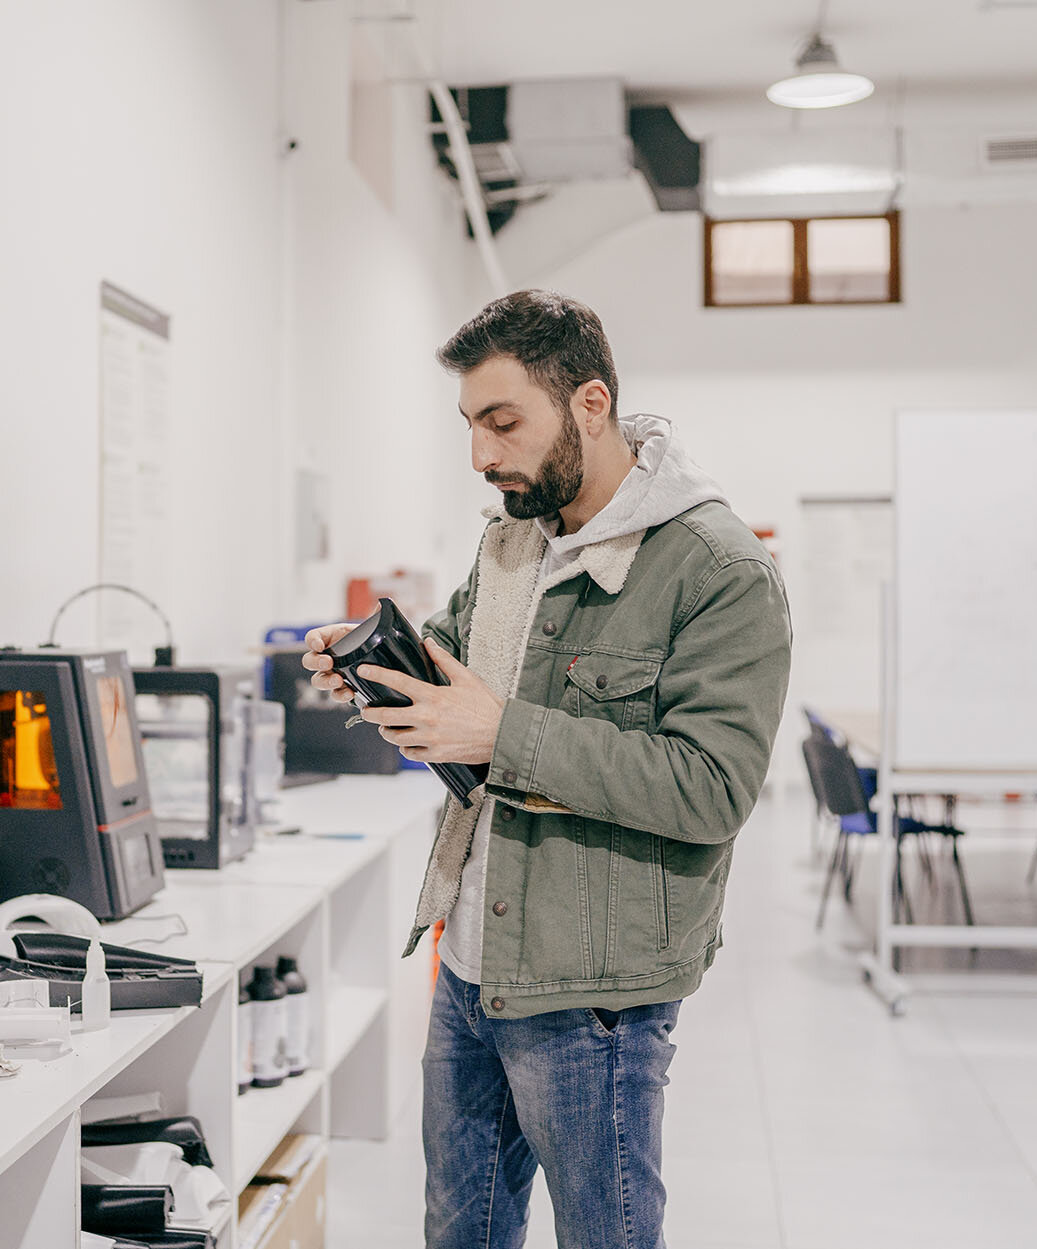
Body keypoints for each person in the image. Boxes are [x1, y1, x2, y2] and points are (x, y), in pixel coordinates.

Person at [302, 290, 792, 1249]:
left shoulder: (717, 569)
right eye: (472, 425)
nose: (482, 455)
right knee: (460, 1231)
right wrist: (373, 667)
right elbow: (456, 658)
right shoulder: (516, 538)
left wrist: (502, 732)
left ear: (592, 404)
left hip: (594, 996)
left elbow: (713, 787)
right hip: (470, 968)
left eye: (504, 422)